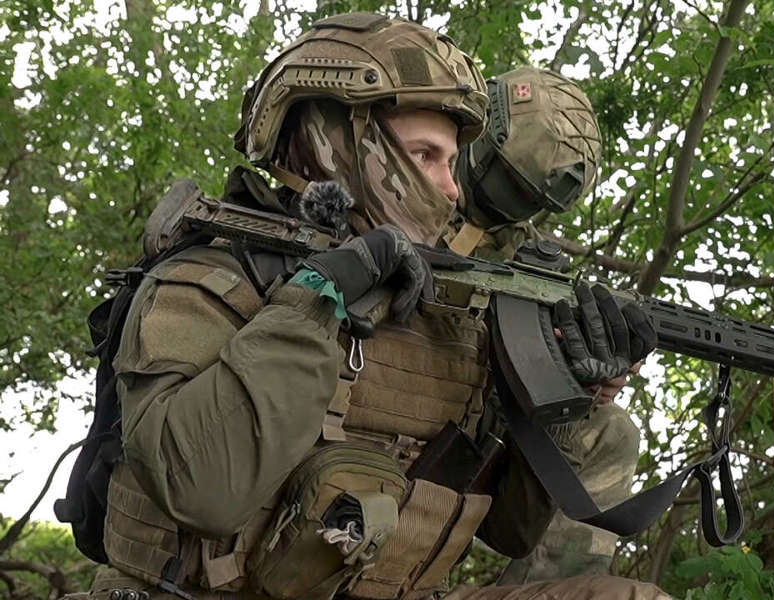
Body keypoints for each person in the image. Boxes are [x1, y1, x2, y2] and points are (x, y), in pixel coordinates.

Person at [80, 13, 667, 600]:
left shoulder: (449, 321)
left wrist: (566, 400)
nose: (452, 190)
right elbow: (200, 489)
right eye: (426, 155)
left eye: (453, 161)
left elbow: (512, 531)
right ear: (334, 144)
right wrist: (320, 296)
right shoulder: (209, 280)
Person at [444, 67, 643, 584]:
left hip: (472, 425)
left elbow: (512, 530)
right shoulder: (407, 185)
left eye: (531, 200)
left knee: (611, 431)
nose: (513, 206)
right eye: (510, 186)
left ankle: (556, 588)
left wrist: (579, 385)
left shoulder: (527, 261)